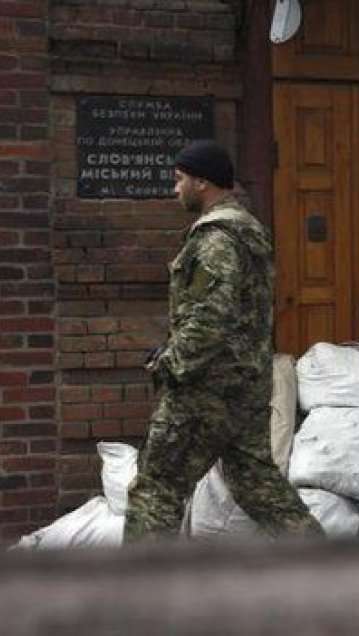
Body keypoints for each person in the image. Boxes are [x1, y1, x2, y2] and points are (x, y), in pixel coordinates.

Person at [123, 139, 322, 541]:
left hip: (205, 390)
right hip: (245, 387)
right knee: (256, 483)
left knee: (156, 489)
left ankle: (137, 596)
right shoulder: (249, 232)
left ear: (202, 182)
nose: (174, 189)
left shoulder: (216, 239)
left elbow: (211, 315)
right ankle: (327, 565)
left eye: (180, 180)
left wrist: (169, 364)